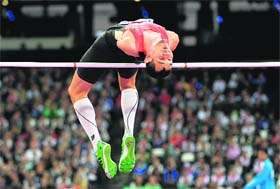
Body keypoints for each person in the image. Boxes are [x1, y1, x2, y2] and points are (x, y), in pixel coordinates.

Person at [68, 18, 179, 179]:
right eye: (169, 61)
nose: (167, 55)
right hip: (129, 44)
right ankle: (128, 133)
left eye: (162, 60)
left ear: (148, 59)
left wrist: (133, 31)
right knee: (128, 85)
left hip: (114, 45)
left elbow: (121, 43)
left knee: (76, 92)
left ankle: (98, 144)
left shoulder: (131, 43)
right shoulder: (172, 40)